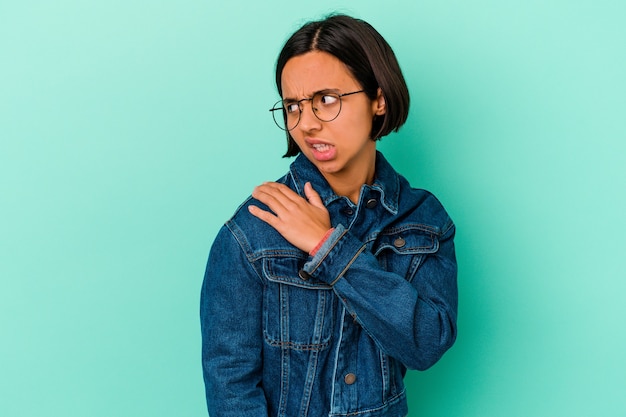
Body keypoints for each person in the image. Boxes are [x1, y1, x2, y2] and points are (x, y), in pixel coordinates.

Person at [200, 14, 458, 417]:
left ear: (379, 99)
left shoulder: (423, 219)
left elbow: (427, 344)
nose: (306, 124)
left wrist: (329, 248)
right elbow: (229, 382)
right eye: (293, 106)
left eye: (326, 99)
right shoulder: (253, 231)